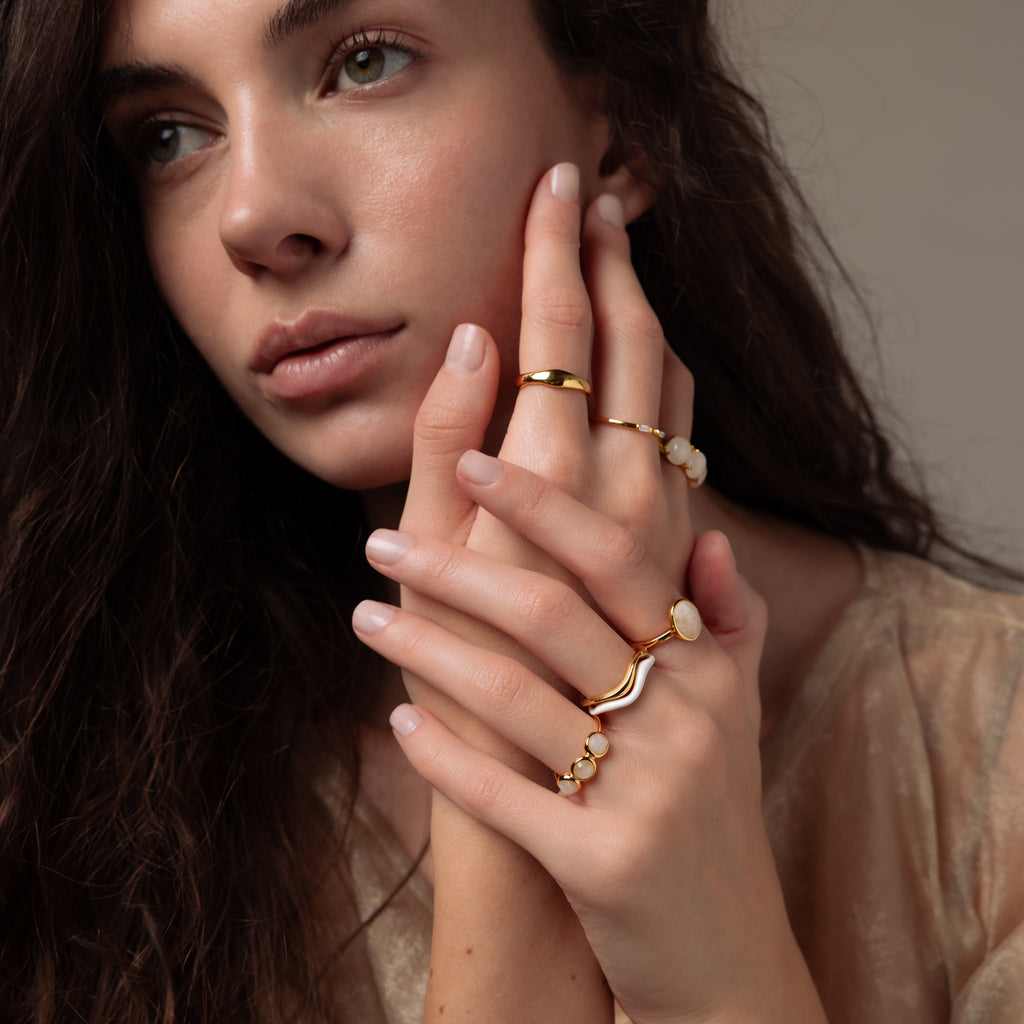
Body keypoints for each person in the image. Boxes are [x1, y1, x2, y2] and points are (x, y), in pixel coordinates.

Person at [1, 0, 1021, 1021]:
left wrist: (724, 977)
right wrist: (502, 832)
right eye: (169, 136)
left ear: (623, 119)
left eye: (365, 63)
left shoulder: (991, 761)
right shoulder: (71, 784)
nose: (252, 218)